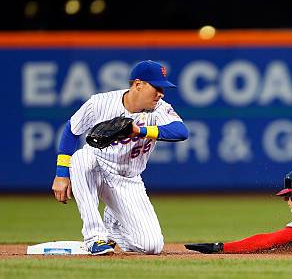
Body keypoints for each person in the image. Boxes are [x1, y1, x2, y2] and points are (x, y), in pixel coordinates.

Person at [51, 60, 189, 255]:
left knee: (151, 246)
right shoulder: (100, 102)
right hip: (97, 166)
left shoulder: (160, 108)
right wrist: (61, 173)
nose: (161, 93)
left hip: (128, 180)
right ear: (138, 84)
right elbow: (71, 131)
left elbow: (180, 131)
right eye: (156, 87)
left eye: (163, 88)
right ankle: (94, 237)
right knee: (82, 157)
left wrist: (139, 130)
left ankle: (113, 226)